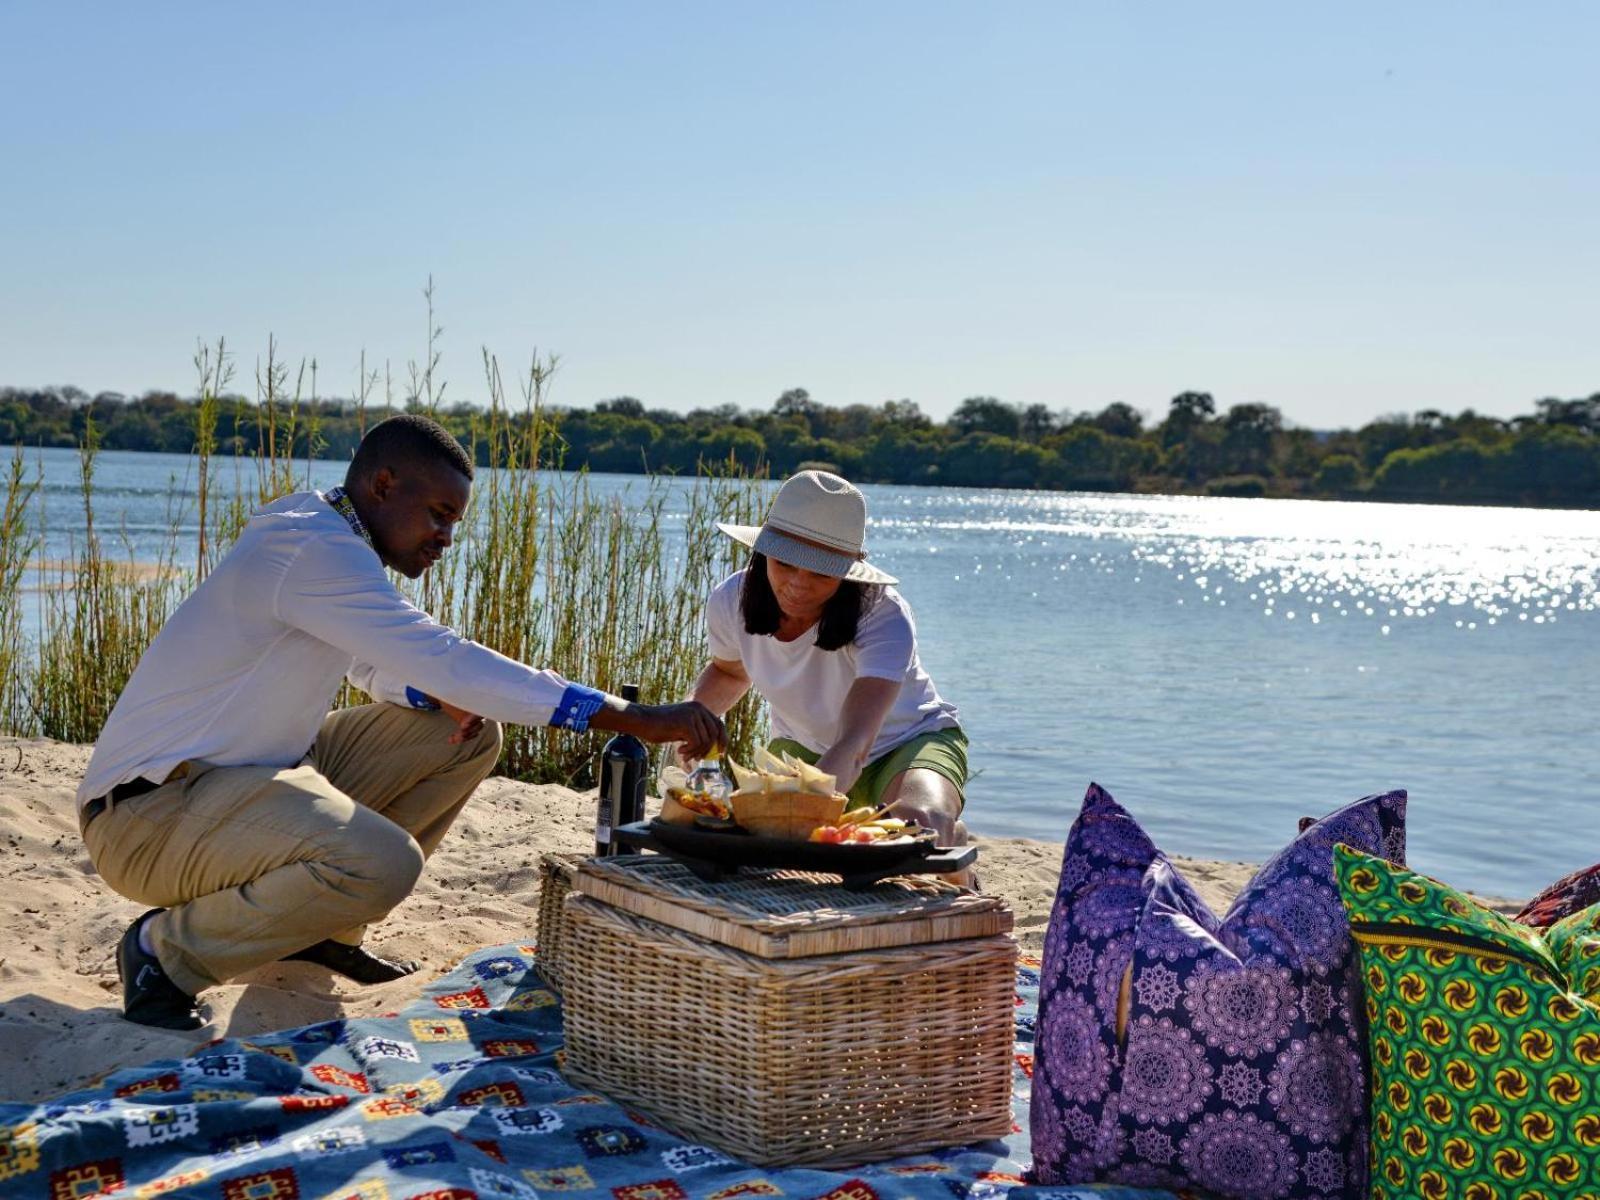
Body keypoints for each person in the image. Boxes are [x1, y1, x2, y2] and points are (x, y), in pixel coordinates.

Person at [79, 414, 723, 1030]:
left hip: (242, 779)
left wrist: (433, 694)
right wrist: (631, 716)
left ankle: (322, 932)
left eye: (454, 521)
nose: (446, 537)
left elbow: (374, 660)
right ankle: (164, 954)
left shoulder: (325, 534)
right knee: (384, 865)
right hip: (150, 816)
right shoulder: (310, 548)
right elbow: (443, 655)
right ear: (383, 485)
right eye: (439, 515)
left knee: (462, 737)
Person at [686, 470, 968, 850]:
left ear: (849, 570)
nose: (799, 585)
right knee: (753, 833)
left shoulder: (883, 614)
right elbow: (728, 671)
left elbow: (855, 743)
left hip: (906, 743)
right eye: (785, 564)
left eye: (821, 572)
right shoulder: (730, 600)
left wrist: (807, 810)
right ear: (764, 551)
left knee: (918, 828)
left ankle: (950, 837)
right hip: (802, 746)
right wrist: (691, 723)